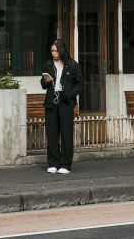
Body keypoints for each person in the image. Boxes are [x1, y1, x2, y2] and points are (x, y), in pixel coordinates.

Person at [39, 38, 83, 174]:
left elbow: (80, 84)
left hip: (66, 103)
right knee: (52, 134)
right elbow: (43, 84)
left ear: (62, 50)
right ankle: (53, 163)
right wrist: (45, 81)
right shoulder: (48, 64)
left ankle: (65, 164)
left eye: (56, 51)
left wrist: (70, 94)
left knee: (66, 134)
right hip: (51, 103)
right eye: (52, 51)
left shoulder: (72, 65)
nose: (53, 53)